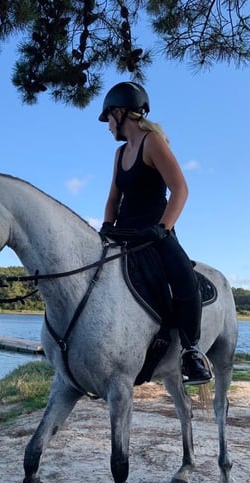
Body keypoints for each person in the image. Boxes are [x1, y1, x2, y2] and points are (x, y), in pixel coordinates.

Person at [98, 81, 212, 383]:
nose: (108, 125)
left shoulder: (153, 142)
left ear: (120, 113)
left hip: (154, 232)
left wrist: (163, 229)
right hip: (123, 233)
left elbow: (180, 189)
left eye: (108, 117)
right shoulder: (119, 153)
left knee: (186, 280)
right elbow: (113, 198)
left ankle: (191, 351)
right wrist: (107, 225)